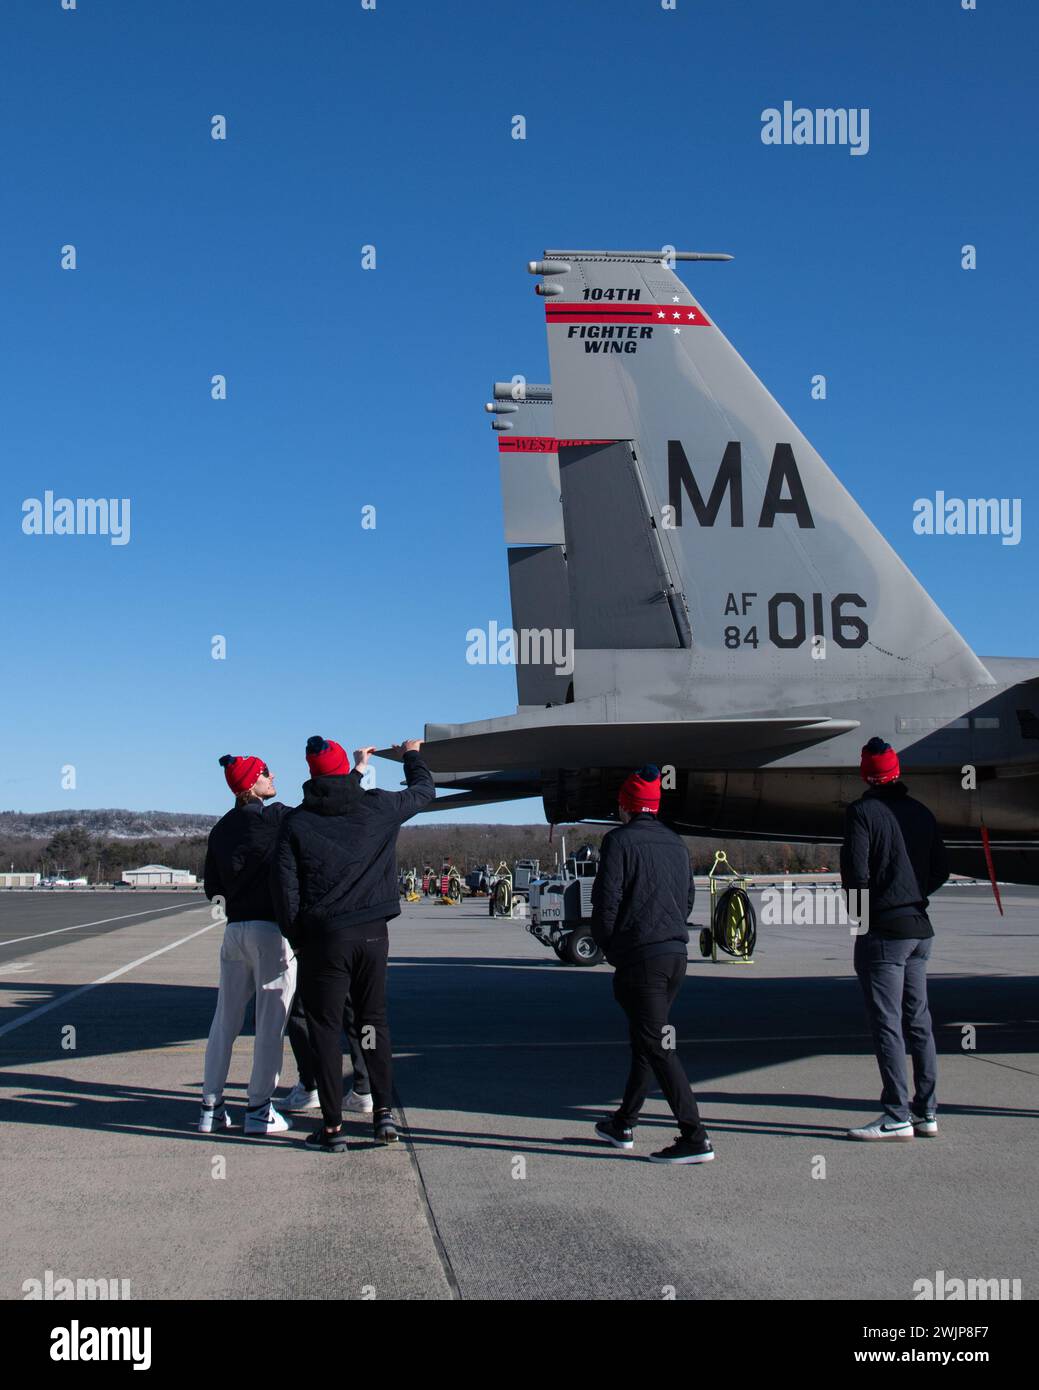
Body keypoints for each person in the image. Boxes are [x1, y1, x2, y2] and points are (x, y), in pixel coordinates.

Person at [271, 735, 435, 1152]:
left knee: (325, 1032)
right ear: (345, 768)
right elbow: (423, 792)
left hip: (324, 940)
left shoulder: (296, 822)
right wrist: (411, 757)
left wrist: (300, 939)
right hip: (372, 934)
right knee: (371, 1024)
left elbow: (286, 895)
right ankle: (383, 1116)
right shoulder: (376, 807)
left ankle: (332, 1129)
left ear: (309, 774)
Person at [590, 765, 714, 1165]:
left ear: (625, 806)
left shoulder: (618, 842)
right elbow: (690, 899)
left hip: (641, 960)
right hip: (674, 956)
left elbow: (605, 903)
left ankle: (694, 1136)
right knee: (646, 1041)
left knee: (659, 1045)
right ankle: (623, 1123)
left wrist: (611, 948)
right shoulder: (677, 844)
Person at [842, 737, 949, 1141]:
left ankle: (895, 1113)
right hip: (920, 927)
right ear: (897, 770)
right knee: (919, 1021)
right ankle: (927, 1111)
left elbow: (856, 875)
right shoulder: (922, 812)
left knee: (887, 1024)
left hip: (884, 930)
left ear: (866, 774)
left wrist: (862, 921)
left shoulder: (863, 812)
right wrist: (913, 895)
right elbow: (941, 867)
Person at [200, 754, 295, 1136]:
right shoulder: (274, 820)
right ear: (252, 783)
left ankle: (211, 1106)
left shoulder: (221, 829)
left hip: (234, 929)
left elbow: (212, 888)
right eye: (266, 774)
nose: (273, 777)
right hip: (269, 931)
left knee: (224, 1021)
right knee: (270, 1024)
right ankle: (258, 1108)